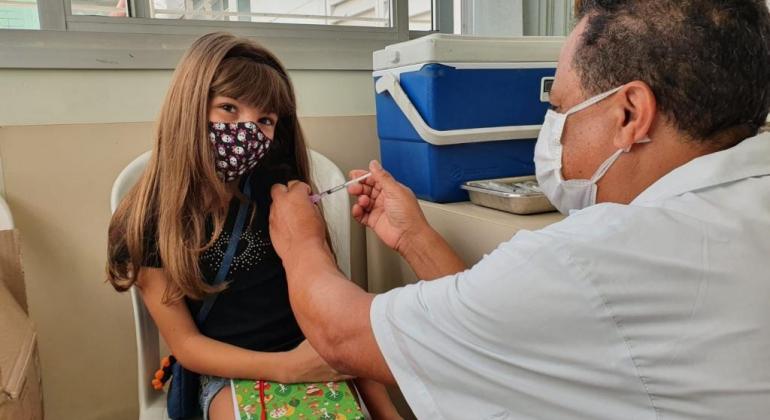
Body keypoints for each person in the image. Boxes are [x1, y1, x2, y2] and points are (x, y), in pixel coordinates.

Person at [267, 0, 770, 418]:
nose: (553, 129)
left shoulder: (598, 257)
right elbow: (495, 330)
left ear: (630, 114)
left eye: (559, 109)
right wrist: (415, 237)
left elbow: (343, 334)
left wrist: (300, 240)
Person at [106, 32, 399, 420]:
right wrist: (289, 368)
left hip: (316, 348)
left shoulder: (277, 189)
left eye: (264, 120)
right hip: (227, 370)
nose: (247, 132)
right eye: (229, 108)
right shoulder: (148, 220)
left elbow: (329, 301)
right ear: (189, 108)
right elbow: (187, 345)